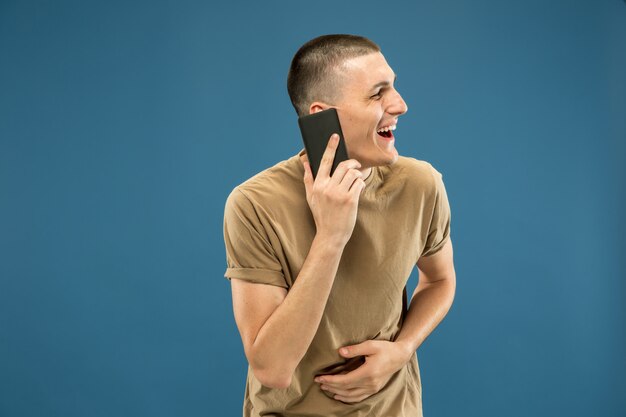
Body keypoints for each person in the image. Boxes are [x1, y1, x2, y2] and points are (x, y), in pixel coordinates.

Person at [222, 34, 456, 417]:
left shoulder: (420, 184)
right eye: (377, 94)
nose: (400, 104)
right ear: (321, 115)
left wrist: (402, 349)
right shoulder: (255, 204)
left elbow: (441, 281)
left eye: (393, 87)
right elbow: (271, 368)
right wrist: (331, 236)